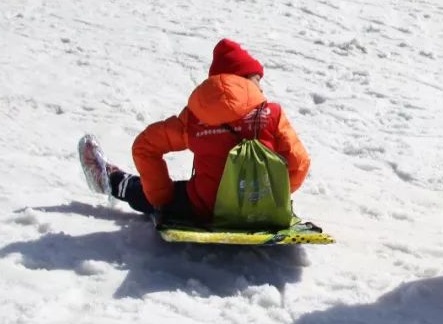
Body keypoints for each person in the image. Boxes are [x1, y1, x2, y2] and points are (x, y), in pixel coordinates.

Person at [79, 39, 310, 223]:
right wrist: (272, 196)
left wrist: (162, 201)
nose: (260, 86)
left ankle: (113, 179)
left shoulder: (197, 116)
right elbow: (299, 163)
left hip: (204, 209)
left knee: (156, 191)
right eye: (257, 79)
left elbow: (145, 146)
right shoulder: (272, 114)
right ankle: (114, 179)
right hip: (262, 208)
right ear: (247, 79)